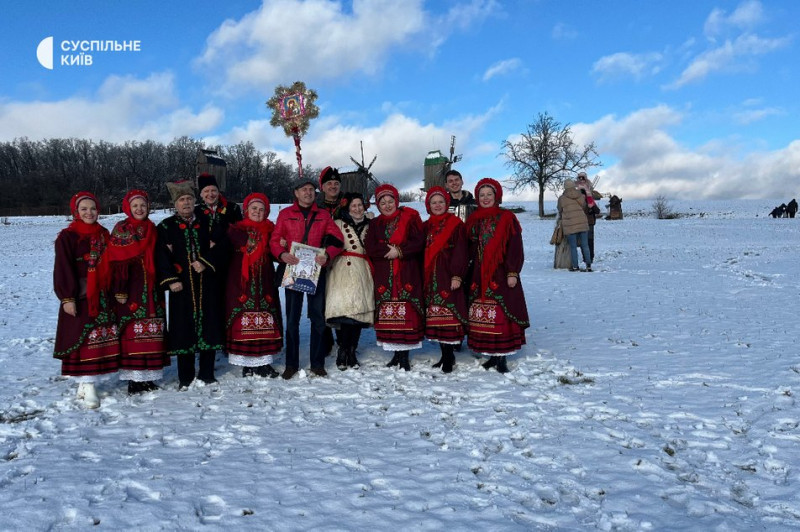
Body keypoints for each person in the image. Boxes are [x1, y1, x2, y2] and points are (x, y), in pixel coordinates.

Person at [270, 180, 344, 379]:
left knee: (317, 317)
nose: (308, 193)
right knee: (292, 319)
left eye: (311, 190)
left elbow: (338, 239)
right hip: (292, 269)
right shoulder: (285, 214)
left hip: (315, 271)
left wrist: (327, 255)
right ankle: (291, 364)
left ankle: (317, 363)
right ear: (296, 193)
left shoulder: (323, 215)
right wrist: (282, 254)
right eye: (304, 189)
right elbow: (275, 240)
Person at [156, 180, 225, 389]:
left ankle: (207, 372)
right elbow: (160, 256)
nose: (186, 203)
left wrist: (206, 262)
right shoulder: (166, 226)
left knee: (209, 325)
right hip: (182, 287)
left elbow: (222, 245)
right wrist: (171, 280)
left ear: (195, 201)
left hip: (207, 283)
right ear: (175, 204)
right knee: (183, 327)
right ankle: (185, 376)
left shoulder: (208, 222)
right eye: (181, 200)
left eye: (189, 199)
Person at [53, 192, 119, 408]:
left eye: (93, 208)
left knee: (97, 339)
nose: (89, 212)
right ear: (76, 212)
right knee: (82, 338)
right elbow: (62, 268)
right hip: (80, 296)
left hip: (102, 295)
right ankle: (88, 384)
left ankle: (85, 384)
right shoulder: (67, 236)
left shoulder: (104, 234)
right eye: (84, 209)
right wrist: (67, 297)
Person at [466, 178, 530, 373]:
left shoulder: (507, 218)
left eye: (489, 195)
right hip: (478, 273)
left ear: (497, 197)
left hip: (501, 272)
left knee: (500, 313)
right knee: (484, 315)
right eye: (482, 195)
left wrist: (513, 272)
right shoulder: (474, 219)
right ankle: (491, 355)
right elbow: (468, 247)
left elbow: (515, 247)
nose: (485, 198)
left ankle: (501, 357)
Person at [108, 190, 168, 395]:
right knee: (132, 331)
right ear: (128, 208)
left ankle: (149, 377)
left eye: (143, 205)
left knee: (151, 331)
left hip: (152, 287)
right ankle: (134, 378)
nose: (139, 209)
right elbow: (115, 262)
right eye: (135, 206)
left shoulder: (152, 228)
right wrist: (119, 289)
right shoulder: (121, 230)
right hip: (131, 289)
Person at [365, 184, 425, 371]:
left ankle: (405, 356)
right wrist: (388, 251)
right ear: (378, 205)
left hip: (407, 271)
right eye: (383, 202)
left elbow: (419, 242)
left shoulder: (410, 218)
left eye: (390, 201)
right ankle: (395, 354)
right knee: (389, 315)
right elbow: (370, 246)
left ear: (396, 201)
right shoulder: (375, 224)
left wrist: (399, 251)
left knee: (406, 313)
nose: (387, 205)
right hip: (385, 274)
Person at [225, 193, 283, 378]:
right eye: (254, 209)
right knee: (243, 318)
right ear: (246, 211)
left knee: (265, 318)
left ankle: (264, 363)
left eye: (261, 209)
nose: (257, 212)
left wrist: (282, 246)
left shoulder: (271, 231)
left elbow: (276, 256)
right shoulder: (235, 231)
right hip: (240, 283)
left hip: (264, 281)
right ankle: (246, 363)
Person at [325, 192, 374, 370]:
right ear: (347, 208)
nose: (357, 208)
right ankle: (342, 350)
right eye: (353, 206)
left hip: (362, 270)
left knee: (358, 313)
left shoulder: (371, 225)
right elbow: (327, 243)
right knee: (344, 312)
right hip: (341, 270)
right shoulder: (337, 224)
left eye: (360, 205)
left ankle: (352, 351)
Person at [422, 187, 468, 373]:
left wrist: (457, 275)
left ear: (446, 204)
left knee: (449, 316)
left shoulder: (456, 224)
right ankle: (444, 355)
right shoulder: (426, 226)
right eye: (434, 202)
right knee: (437, 318)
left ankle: (449, 356)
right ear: (429, 206)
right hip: (431, 276)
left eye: (441, 202)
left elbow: (461, 251)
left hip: (448, 275)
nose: (438, 205)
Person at [316, 166, 345, 357]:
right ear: (323, 187)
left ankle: (343, 338)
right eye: (329, 184)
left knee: (341, 298)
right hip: (321, 258)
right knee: (322, 299)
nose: (333, 186)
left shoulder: (348, 203)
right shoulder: (316, 207)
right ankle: (324, 338)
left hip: (343, 259)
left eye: (336, 183)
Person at [558, 179, 592, 272]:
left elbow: (560, 210)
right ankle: (588, 265)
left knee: (573, 247)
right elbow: (584, 206)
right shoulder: (580, 196)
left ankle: (575, 266)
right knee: (585, 245)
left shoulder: (562, 198)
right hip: (582, 222)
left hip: (570, 224)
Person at [582, 190, 602, 263]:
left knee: (584, 241)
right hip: (589, 223)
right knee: (590, 241)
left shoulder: (578, 201)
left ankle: (586, 257)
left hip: (582, 223)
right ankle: (590, 257)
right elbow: (597, 211)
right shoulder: (589, 200)